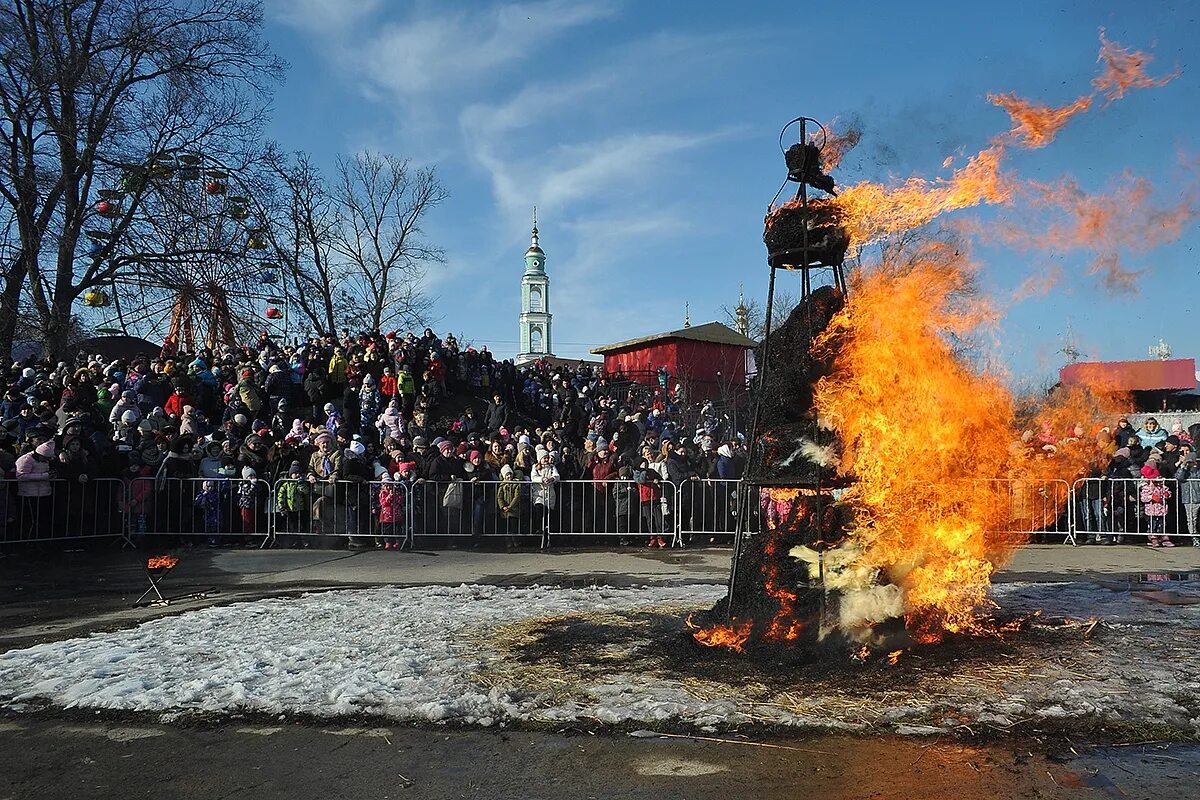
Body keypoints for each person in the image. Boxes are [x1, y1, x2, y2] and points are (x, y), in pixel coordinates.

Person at [1140, 464, 1172, 547]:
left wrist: (1167, 494)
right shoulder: (1146, 487)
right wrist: (1151, 497)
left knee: (1163, 524)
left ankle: (1164, 537)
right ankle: (1153, 538)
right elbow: (1143, 498)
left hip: (1162, 509)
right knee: (1153, 524)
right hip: (1152, 510)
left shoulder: (1162, 485)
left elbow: (1168, 492)